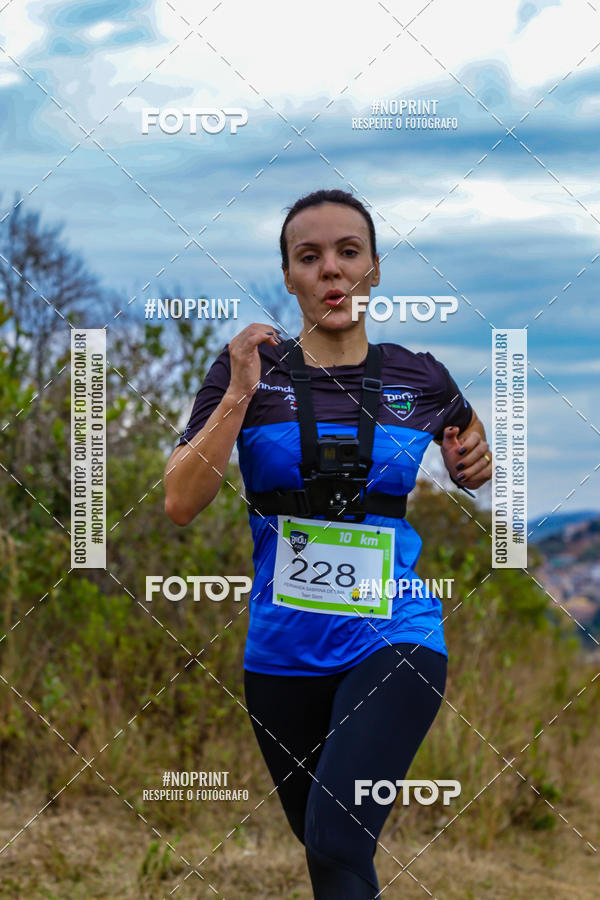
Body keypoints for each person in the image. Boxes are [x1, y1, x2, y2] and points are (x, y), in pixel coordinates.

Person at [164, 189, 492, 899]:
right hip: (281, 652)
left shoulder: (419, 376)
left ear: (374, 268)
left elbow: (468, 438)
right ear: (288, 276)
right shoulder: (244, 374)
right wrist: (237, 397)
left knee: (338, 834)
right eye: (309, 257)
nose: (330, 271)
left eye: (349, 253)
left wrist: (477, 458)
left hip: (396, 635)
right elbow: (180, 501)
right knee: (324, 848)